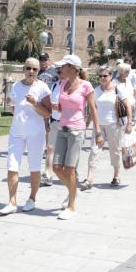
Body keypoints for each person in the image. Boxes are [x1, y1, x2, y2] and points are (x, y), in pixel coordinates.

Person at [0, 58, 52, 215]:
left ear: (38, 71)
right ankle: (12, 202)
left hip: (36, 133)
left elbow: (47, 113)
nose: (31, 72)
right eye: (28, 68)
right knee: (12, 165)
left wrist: (35, 103)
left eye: (35, 69)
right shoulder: (16, 85)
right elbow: (13, 107)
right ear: (24, 69)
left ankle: (32, 199)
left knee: (34, 167)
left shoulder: (42, 87)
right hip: (17, 132)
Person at [52, 54, 101, 220]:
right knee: (56, 167)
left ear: (73, 68)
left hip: (77, 130)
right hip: (62, 128)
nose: (61, 69)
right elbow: (62, 107)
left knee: (70, 169)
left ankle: (72, 207)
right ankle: (73, 190)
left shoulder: (86, 86)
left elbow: (93, 110)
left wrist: (98, 132)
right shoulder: (62, 84)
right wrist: (57, 107)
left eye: (64, 66)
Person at [83, 66, 132, 189]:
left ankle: (116, 175)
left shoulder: (118, 89)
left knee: (115, 151)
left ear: (111, 76)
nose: (102, 78)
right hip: (98, 125)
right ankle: (90, 178)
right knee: (94, 150)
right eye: (100, 76)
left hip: (114, 125)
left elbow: (128, 106)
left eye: (105, 76)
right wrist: (87, 124)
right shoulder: (96, 90)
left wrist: (129, 123)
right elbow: (93, 109)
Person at [38, 53, 58, 187]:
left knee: (49, 127)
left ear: (49, 61)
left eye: (45, 60)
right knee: (44, 127)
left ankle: (48, 147)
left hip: (51, 102)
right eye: (41, 60)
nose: (43, 62)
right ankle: (46, 147)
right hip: (40, 102)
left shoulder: (54, 71)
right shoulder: (37, 72)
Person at [43, 64, 65, 188]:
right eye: (58, 71)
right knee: (50, 148)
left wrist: (61, 108)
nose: (59, 73)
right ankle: (48, 174)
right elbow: (48, 105)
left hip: (68, 123)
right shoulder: (54, 85)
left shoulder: (72, 86)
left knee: (66, 151)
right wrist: (46, 122)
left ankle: (69, 173)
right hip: (55, 121)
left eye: (61, 71)